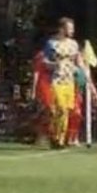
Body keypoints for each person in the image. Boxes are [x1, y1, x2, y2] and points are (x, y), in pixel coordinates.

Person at [44, 18, 81, 148]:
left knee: (66, 111)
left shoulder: (74, 44)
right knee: (60, 108)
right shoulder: (51, 43)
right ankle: (55, 136)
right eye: (69, 28)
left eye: (72, 28)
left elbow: (77, 60)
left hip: (69, 81)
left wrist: (81, 70)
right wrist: (54, 64)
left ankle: (59, 138)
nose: (72, 31)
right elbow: (45, 62)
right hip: (56, 80)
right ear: (61, 29)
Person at [31, 44, 55, 145]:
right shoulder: (40, 57)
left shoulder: (53, 56)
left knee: (50, 111)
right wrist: (33, 89)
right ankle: (41, 135)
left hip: (52, 85)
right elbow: (36, 73)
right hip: (43, 85)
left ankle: (49, 134)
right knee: (47, 110)